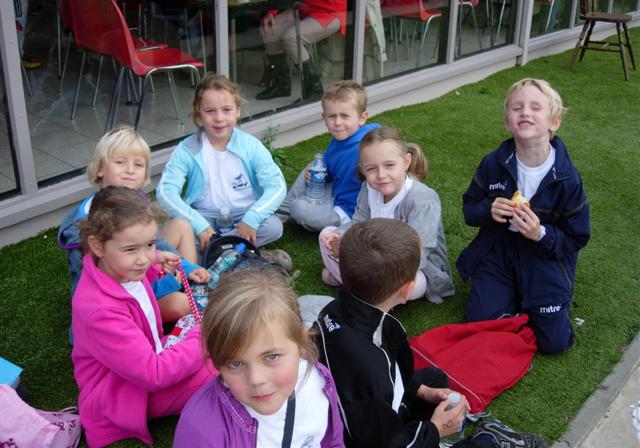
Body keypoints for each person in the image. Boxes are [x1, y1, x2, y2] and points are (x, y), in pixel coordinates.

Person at [315, 219, 549, 448]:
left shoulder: (334, 310)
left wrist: (421, 391)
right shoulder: (369, 367)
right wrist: (436, 429)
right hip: (361, 433)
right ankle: (486, 440)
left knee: (433, 379)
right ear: (408, 289)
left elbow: (389, 376)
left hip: (363, 411)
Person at [72, 186, 216, 447]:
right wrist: (204, 337)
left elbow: (137, 260)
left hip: (144, 363)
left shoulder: (118, 269)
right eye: (131, 249)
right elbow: (154, 374)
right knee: (221, 366)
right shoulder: (99, 311)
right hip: (121, 396)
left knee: (216, 346)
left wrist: (156, 257)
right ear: (97, 245)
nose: (143, 259)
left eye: (150, 244)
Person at [457, 78, 590, 355]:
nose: (525, 113)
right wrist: (488, 210)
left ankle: (537, 302)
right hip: (499, 252)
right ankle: (510, 298)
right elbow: (469, 209)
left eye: (535, 108)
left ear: (554, 122)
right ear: (508, 121)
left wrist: (540, 234)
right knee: (479, 324)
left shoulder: (567, 178)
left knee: (554, 344)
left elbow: (577, 236)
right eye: (517, 108)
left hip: (543, 258)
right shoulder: (493, 163)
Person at [174, 265, 345, 447]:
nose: (256, 379)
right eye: (235, 363)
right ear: (217, 362)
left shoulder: (320, 382)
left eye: (271, 357)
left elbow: (333, 441)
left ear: (302, 342)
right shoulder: (201, 430)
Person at [58, 125, 197, 323]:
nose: (130, 170)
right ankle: (187, 292)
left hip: (142, 270)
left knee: (181, 225)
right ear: (99, 169)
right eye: (120, 162)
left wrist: (188, 268)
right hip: (122, 300)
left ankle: (192, 284)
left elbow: (155, 242)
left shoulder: (135, 200)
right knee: (182, 304)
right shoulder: (91, 228)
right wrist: (168, 284)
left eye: (138, 165)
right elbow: (116, 288)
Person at [156, 74, 290, 262]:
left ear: (237, 111)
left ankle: (214, 254)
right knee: (178, 230)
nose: (219, 118)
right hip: (204, 217)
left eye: (227, 110)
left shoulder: (251, 146)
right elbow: (165, 191)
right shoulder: (187, 149)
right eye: (210, 111)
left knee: (273, 227)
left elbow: (277, 186)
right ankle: (244, 254)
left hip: (244, 215)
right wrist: (199, 225)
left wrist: (252, 217)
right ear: (198, 114)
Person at [319, 126, 454, 303]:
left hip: (410, 268)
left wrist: (379, 268)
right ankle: (363, 289)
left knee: (412, 284)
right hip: (372, 257)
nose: (381, 175)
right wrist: (339, 235)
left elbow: (419, 253)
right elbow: (358, 223)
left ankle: (355, 286)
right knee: (326, 234)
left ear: (406, 161)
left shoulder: (422, 199)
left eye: (389, 165)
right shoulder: (368, 188)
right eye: (371, 169)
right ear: (362, 169)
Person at [279, 80, 380, 232]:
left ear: (362, 118)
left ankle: (291, 209)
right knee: (314, 166)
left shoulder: (370, 145)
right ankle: (283, 210)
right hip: (335, 193)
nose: (337, 122)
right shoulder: (339, 141)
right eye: (332, 116)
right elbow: (330, 172)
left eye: (345, 116)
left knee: (299, 209)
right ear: (324, 117)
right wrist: (319, 176)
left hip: (348, 212)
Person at [256, 0, 348, 100]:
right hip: (307, 9)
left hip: (331, 12)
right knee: (270, 29)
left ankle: (314, 90)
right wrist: (272, 12)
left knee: (292, 37)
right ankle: (281, 85)